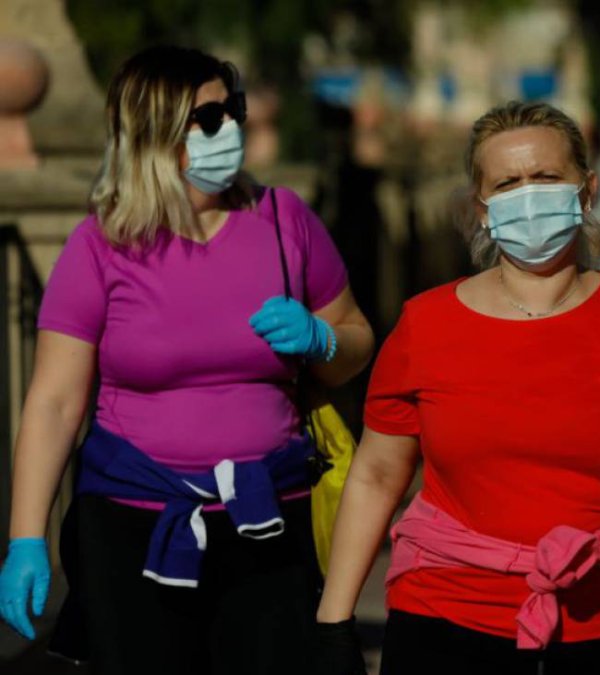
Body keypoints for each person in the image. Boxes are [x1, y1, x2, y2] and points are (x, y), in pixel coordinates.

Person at [314, 101, 600, 675]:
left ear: (586, 192)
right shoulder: (425, 326)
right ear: (481, 209)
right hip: (445, 620)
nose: (528, 195)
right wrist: (334, 622)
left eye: (546, 177)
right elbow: (378, 475)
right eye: (508, 183)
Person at [0, 46, 374, 674]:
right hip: (132, 528)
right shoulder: (103, 242)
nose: (228, 129)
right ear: (154, 132)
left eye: (232, 110)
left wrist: (321, 339)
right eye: (205, 118)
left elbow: (356, 338)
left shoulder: (284, 220)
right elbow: (55, 402)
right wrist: (25, 538)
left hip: (270, 522)